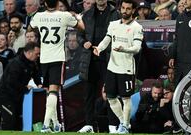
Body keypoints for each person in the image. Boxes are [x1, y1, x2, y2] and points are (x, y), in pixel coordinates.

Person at [29, 0, 84, 133]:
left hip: (44, 59)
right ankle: (46, 125)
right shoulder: (64, 16)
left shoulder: (39, 16)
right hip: (57, 58)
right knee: (53, 91)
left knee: (49, 92)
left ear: (45, 3)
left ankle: (56, 123)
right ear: (57, 2)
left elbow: (30, 27)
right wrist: (78, 18)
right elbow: (81, 27)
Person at [93, 0, 143, 133]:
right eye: (123, 8)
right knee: (110, 97)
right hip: (112, 67)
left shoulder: (137, 27)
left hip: (126, 68)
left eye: (128, 9)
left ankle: (125, 126)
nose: (125, 11)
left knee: (126, 98)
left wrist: (124, 49)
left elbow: (137, 48)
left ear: (133, 11)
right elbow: (107, 39)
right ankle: (123, 121)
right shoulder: (113, 24)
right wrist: (99, 48)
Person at [77, 0, 120, 133]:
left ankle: (113, 125)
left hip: (109, 58)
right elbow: (79, 35)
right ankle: (90, 124)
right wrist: (83, 42)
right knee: (89, 94)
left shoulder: (115, 14)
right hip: (90, 58)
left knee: (111, 93)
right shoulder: (86, 14)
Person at [0, 42, 42, 130]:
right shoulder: (15, 64)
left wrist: (39, 84)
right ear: (29, 53)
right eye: (37, 54)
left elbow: (36, 74)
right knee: (10, 121)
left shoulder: (31, 63)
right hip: (6, 97)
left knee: (18, 122)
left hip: (17, 97)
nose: (38, 56)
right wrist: (25, 88)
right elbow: (11, 83)